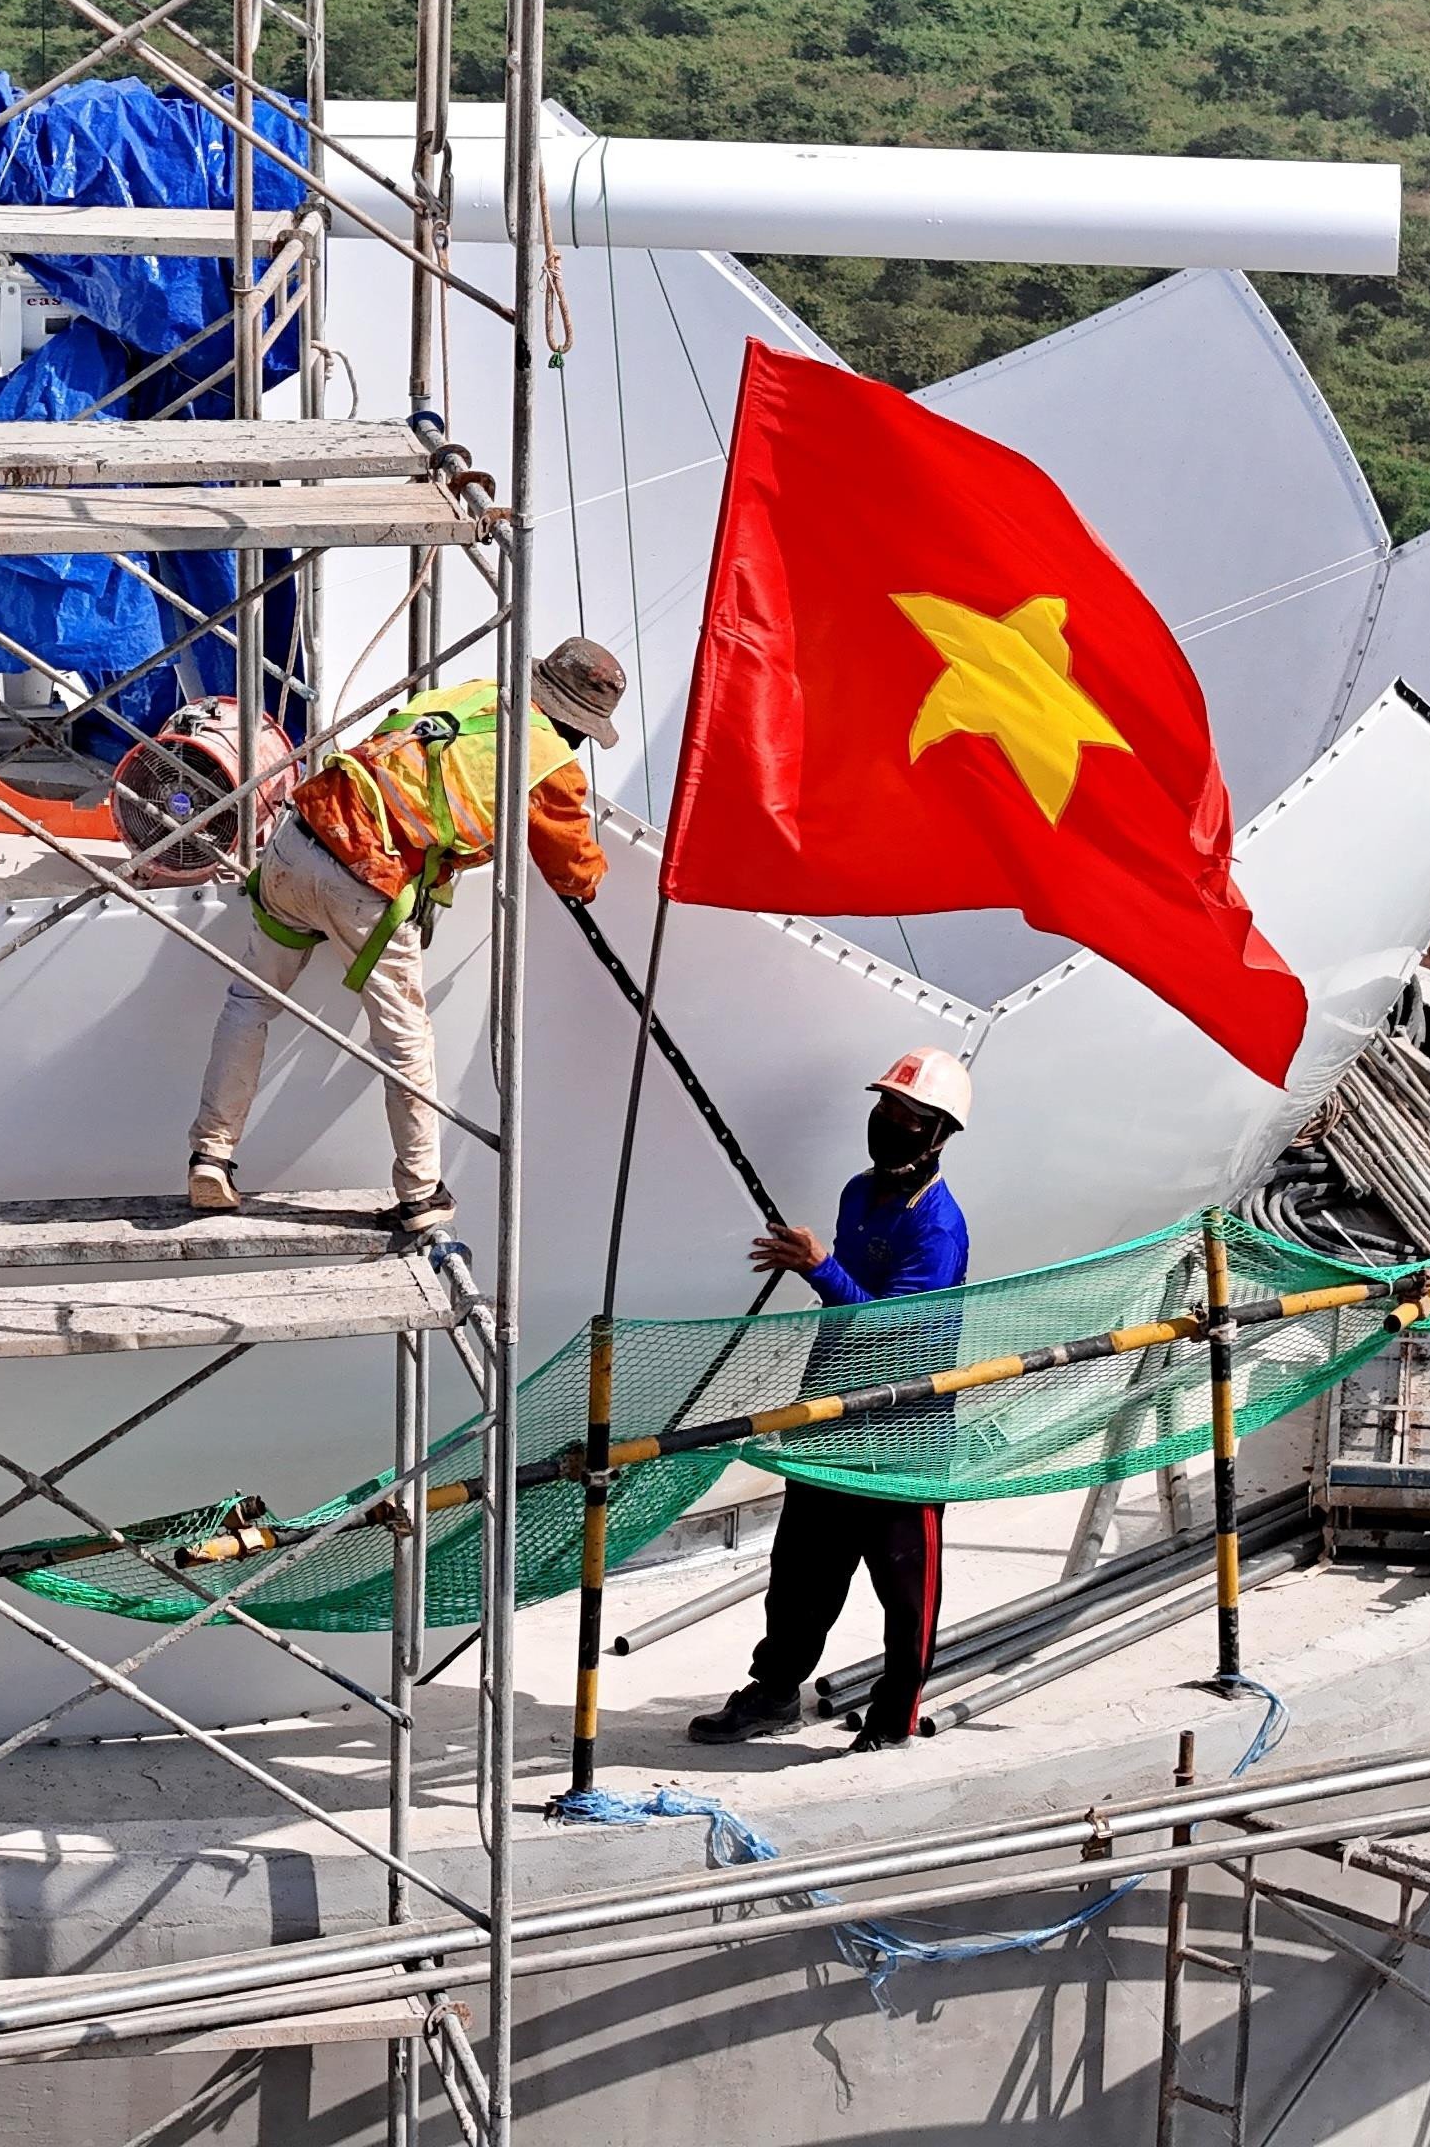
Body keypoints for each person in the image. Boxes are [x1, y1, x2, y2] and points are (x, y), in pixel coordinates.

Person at [181, 636, 627, 1240]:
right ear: (576, 724)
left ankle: (211, 1156)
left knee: (250, 1001)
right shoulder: (551, 766)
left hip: (298, 835)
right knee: (404, 1040)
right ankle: (420, 1193)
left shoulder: (474, 693)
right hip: (363, 877)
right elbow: (576, 875)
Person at [690, 1048, 975, 1756]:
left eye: (907, 1116)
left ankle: (893, 1719)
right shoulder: (858, 1193)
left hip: (904, 1438)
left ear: (939, 1135)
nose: (887, 1122)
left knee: (906, 1590)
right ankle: (774, 1692)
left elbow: (889, 1326)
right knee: (800, 1573)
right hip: (832, 1417)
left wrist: (819, 1268)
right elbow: (849, 1305)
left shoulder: (937, 1227)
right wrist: (819, 1272)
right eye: (883, 1107)